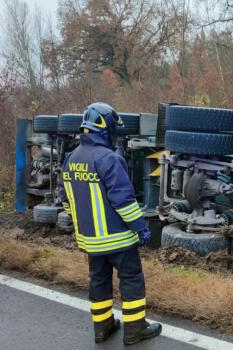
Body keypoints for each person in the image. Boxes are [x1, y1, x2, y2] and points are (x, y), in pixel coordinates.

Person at [59, 102, 161, 345]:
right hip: (119, 239)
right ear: (105, 129)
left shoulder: (70, 159)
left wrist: (82, 225)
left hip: (91, 241)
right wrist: (141, 228)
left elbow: (66, 201)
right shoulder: (109, 158)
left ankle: (102, 328)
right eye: (114, 129)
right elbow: (123, 201)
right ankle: (135, 330)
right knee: (131, 279)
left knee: (99, 281)